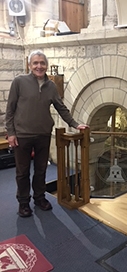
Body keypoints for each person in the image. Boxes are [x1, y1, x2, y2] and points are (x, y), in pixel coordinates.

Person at [5, 50, 89, 218]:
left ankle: (39, 198)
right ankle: (23, 203)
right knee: (22, 172)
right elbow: (10, 109)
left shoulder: (51, 86)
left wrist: (75, 124)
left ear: (46, 66)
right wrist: (11, 133)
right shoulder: (19, 82)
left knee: (41, 169)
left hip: (43, 135)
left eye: (42, 63)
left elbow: (61, 108)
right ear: (30, 65)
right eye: (35, 63)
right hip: (22, 135)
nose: (39, 66)